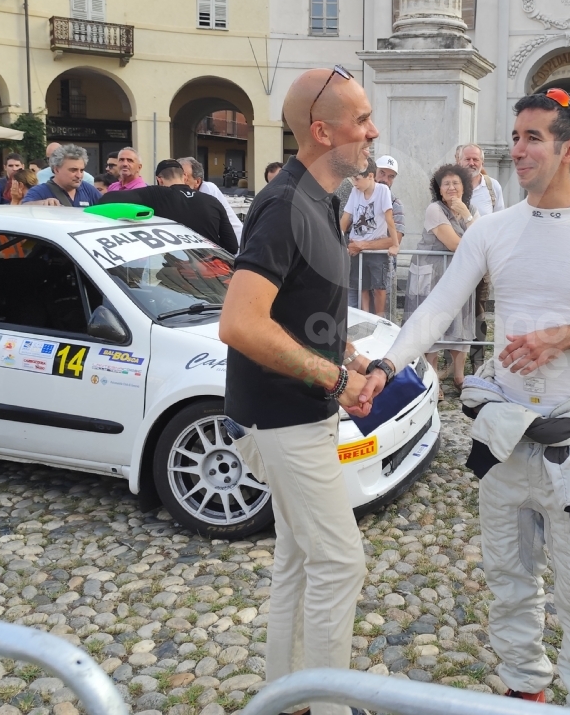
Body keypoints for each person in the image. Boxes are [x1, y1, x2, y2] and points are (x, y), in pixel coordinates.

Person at [359, 89, 570, 714]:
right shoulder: (493, 229)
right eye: (515, 136)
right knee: (509, 578)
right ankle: (526, 687)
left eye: (532, 138)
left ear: (569, 148)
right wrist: (390, 363)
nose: (516, 150)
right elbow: (440, 306)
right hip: (503, 438)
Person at [217, 67, 376, 715]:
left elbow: (297, 311)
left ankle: (285, 699)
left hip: (291, 413)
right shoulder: (286, 204)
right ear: (321, 130)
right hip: (281, 420)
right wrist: (336, 378)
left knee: (298, 561)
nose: (372, 130)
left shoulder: (322, 198)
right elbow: (240, 321)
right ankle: (328, 707)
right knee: (340, 562)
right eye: (361, 119)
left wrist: (348, 354)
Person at [404, 164, 478, 394]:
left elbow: (482, 240)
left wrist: (466, 215)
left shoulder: (470, 209)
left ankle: (459, 377)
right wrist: (471, 232)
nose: (451, 187)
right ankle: (433, 380)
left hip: (458, 276)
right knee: (431, 325)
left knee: (460, 324)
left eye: (456, 183)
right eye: (446, 183)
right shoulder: (435, 209)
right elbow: (455, 244)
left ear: (464, 186)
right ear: (439, 189)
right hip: (432, 275)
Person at [101, 159, 237, 253]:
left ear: (159, 180)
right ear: (184, 177)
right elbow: (232, 247)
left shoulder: (155, 194)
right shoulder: (212, 201)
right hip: (213, 275)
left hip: (177, 276)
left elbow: (108, 198)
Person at [458, 144, 505, 368]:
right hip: (455, 261)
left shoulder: (492, 187)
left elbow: (501, 222)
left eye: (476, 159)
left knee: (479, 312)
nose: (472, 163)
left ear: (482, 162)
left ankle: (478, 362)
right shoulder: (450, 185)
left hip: (483, 262)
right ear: (458, 161)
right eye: (467, 159)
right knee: (455, 311)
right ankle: (452, 363)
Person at [341, 162, 395, 314]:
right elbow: (345, 218)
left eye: (357, 179)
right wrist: (337, 241)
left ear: (370, 176)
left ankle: (380, 319)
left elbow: (391, 222)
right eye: (353, 179)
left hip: (376, 251)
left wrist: (395, 245)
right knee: (361, 288)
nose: (354, 183)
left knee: (379, 287)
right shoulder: (355, 191)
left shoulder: (383, 192)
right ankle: (365, 317)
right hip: (355, 248)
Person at [180, 157, 245, 244]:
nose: (179, 181)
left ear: (197, 181)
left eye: (185, 178)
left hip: (236, 244)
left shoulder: (207, 189)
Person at [23, 144, 102, 207]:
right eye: (73, 170)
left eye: (81, 170)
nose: (79, 175)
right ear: (56, 169)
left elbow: (106, 208)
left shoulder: (88, 189)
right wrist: (41, 204)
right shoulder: (39, 191)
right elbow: (24, 208)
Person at [375, 155, 405, 318]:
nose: (385, 179)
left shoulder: (395, 204)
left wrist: (363, 245)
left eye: (390, 176)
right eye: (382, 173)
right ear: (373, 172)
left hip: (385, 266)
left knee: (384, 317)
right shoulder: (357, 196)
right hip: (357, 267)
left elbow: (396, 239)